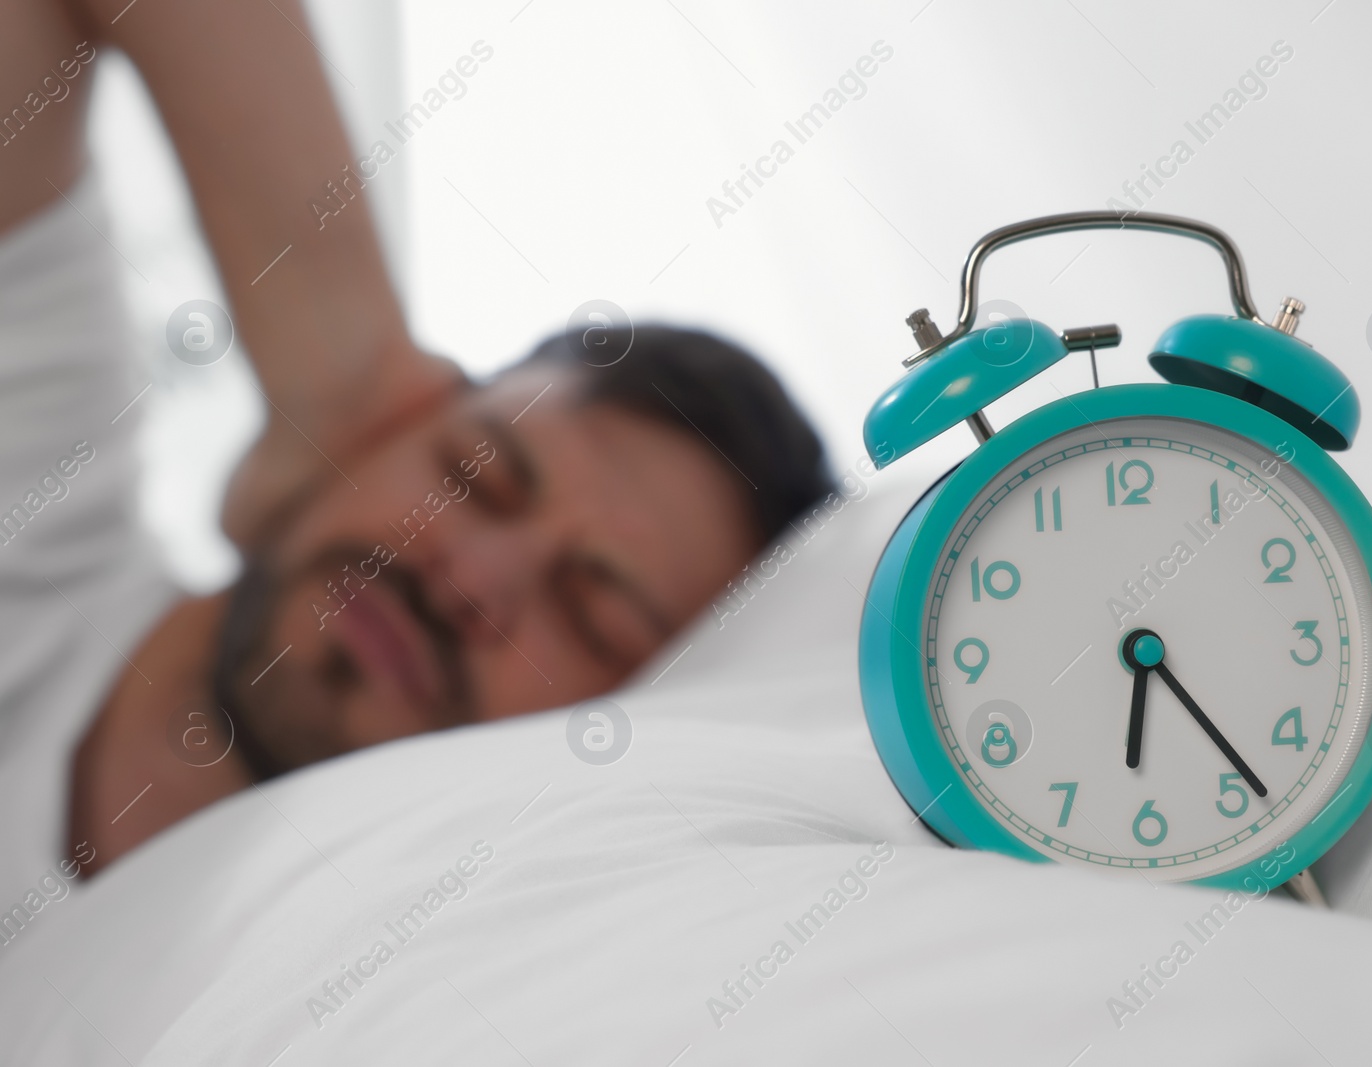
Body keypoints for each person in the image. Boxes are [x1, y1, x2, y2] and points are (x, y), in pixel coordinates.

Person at [0, 0, 829, 888]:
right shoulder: (37, 488)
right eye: (473, 473)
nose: (469, 580)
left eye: (591, 614)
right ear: (400, 418)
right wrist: (343, 369)